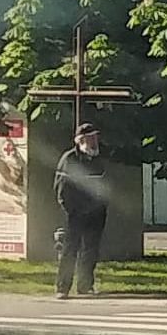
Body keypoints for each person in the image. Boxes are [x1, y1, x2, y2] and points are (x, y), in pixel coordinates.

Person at [53, 123, 110, 299]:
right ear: (81, 141)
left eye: (95, 137)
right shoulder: (69, 159)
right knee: (70, 250)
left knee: (91, 250)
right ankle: (63, 287)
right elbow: (61, 189)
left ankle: (85, 286)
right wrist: (71, 210)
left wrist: (102, 206)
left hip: (96, 213)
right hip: (75, 214)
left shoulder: (99, 158)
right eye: (90, 138)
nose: (94, 142)